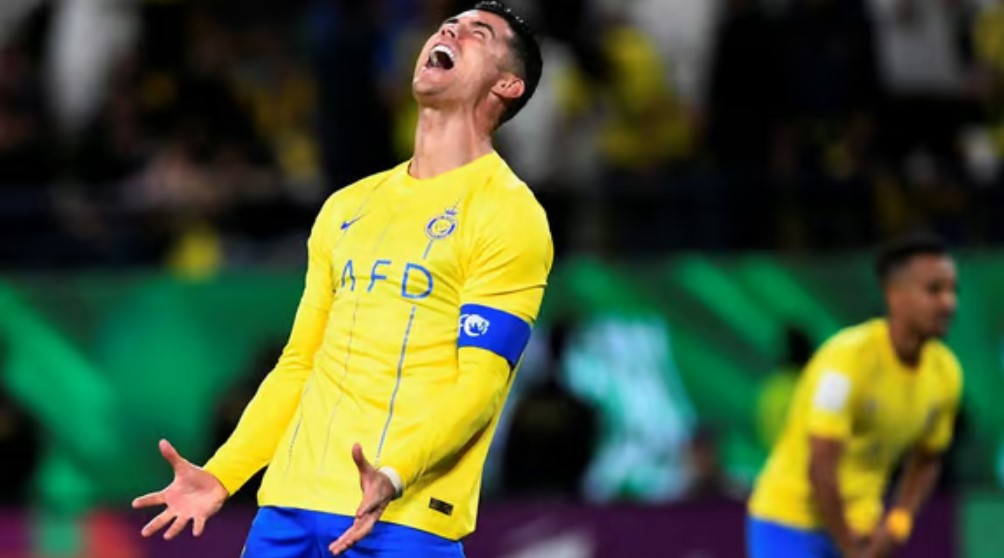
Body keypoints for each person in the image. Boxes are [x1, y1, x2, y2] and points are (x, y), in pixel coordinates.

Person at [131, 2, 550, 557]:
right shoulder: (347, 207)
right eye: (449, 24)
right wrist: (224, 474)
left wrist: (395, 473)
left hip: (405, 518)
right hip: (288, 510)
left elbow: (481, 383)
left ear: (508, 84)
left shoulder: (510, 213)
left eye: (479, 32)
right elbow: (299, 364)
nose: (451, 29)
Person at [746, 232, 963, 558]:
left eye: (952, 290)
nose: (948, 303)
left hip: (862, 528)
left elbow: (929, 456)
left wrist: (897, 524)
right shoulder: (847, 361)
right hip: (788, 522)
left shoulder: (946, 373)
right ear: (894, 294)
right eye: (934, 290)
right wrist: (848, 545)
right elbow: (821, 465)